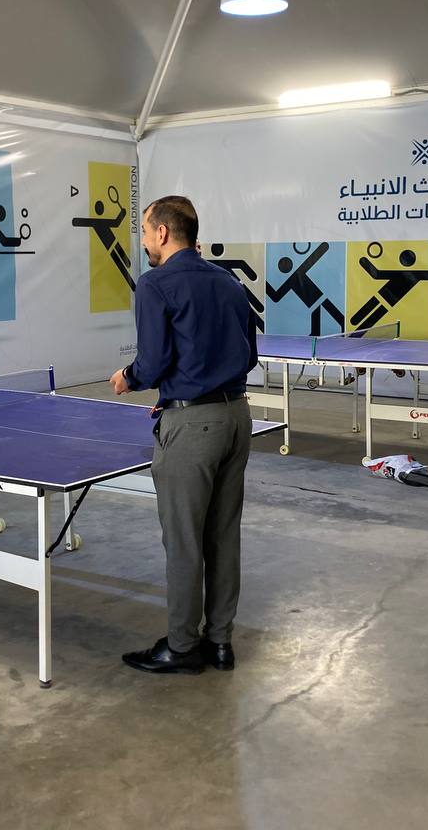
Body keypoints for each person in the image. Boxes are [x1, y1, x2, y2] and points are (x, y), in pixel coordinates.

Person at [110, 196, 257, 674]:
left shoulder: (154, 284)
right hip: (237, 417)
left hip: (192, 427)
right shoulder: (230, 283)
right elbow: (249, 356)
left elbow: (152, 363)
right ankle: (219, 643)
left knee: (184, 540)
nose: (143, 240)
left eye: (145, 230)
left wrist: (128, 377)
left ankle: (181, 646)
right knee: (223, 535)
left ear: (163, 233)